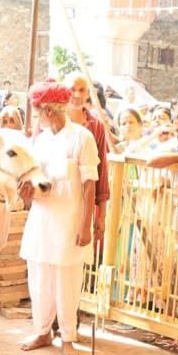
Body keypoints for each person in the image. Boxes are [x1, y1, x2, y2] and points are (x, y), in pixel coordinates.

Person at [19, 80, 98, 355]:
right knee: (39, 276)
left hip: (69, 219)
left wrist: (85, 224)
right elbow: (34, 180)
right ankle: (42, 331)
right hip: (42, 218)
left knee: (67, 280)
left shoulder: (82, 138)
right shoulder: (39, 141)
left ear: (49, 110)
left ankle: (67, 336)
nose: (36, 117)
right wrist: (27, 192)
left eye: (37, 111)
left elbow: (90, 185)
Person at [65, 74, 110, 242]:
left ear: (88, 93)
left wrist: (102, 216)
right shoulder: (53, 121)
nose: (77, 95)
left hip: (84, 204)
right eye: (72, 89)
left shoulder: (96, 125)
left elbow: (102, 171)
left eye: (82, 90)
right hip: (57, 200)